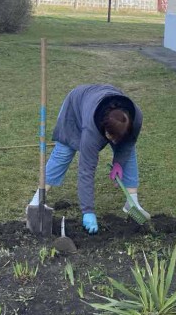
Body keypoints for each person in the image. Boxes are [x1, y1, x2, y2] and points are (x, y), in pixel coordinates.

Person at [27, 84, 147, 234]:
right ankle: (36, 202)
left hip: (99, 101)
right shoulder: (92, 131)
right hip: (76, 107)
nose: (113, 142)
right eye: (111, 138)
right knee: (63, 153)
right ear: (104, 129)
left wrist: (119, 163)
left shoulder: (135, 117)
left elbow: (128, 144)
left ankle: (132, 203)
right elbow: (86, 170)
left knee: (129, 154)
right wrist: (88, 211)